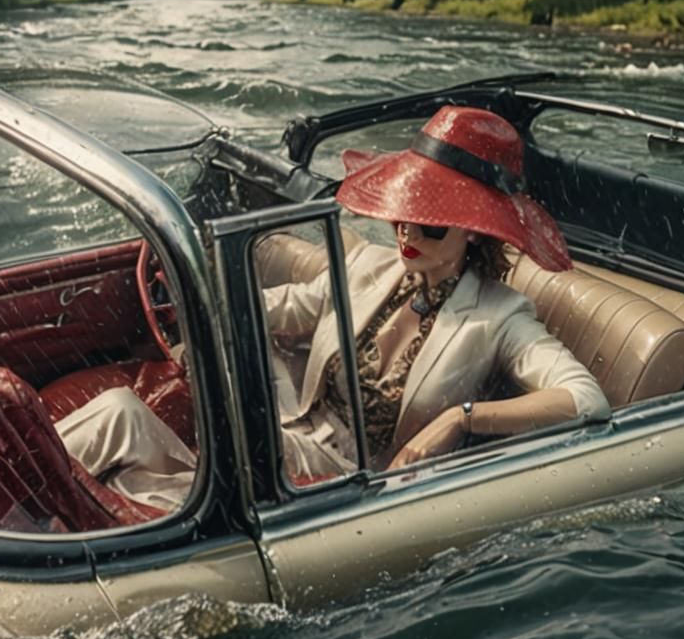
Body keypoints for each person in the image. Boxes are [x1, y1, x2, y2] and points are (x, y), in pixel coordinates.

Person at [58, 105, 609, 510]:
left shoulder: (500, 315)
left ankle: (68, 521)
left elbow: (585, 398)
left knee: (149, 477)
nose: (407, 232)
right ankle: (1, 491)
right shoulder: (371, 267)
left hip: (343, 486)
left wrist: (457, 420)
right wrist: (203, 302)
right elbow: (292, 307)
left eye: (431, 220)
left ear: (474, 231)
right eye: (403, 213)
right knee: (117, 412)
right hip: (283, 439)